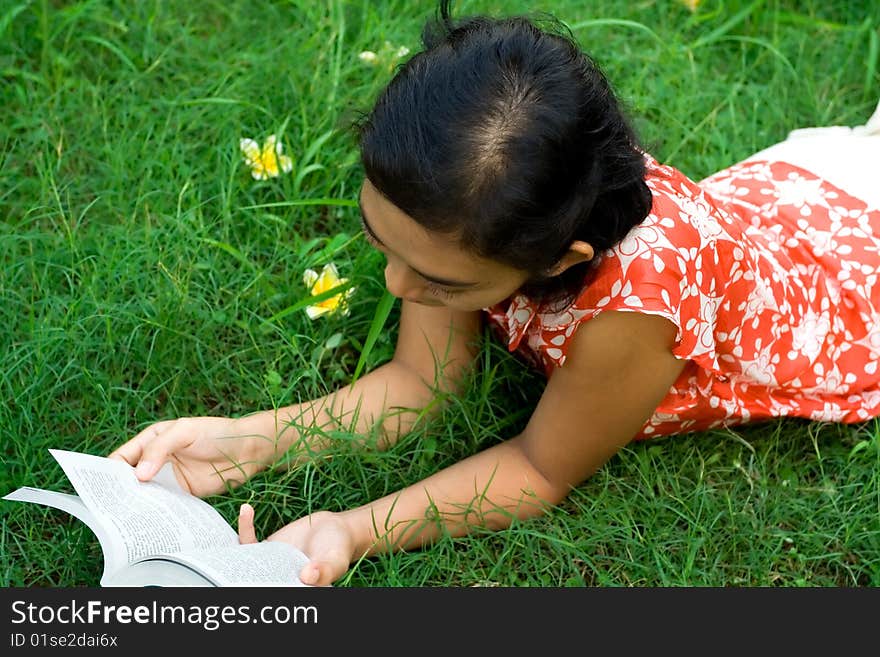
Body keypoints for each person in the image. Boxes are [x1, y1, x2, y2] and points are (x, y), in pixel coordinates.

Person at [108, 1, 880, 586]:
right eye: (383, 243)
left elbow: (540, 470)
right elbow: (420, 385)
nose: (396, 286)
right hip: (793, 202)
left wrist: (348, 528)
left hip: (852, 281)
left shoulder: (635, 312)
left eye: (440, 283)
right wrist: (243, 442)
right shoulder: (460, 193)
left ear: (557, 260)